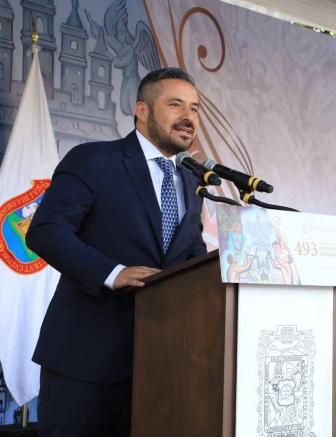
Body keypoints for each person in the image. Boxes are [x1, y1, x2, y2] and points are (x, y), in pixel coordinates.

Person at [25, 67, 207, 437]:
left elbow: (193, 257)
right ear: (142, 109)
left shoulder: (191, 180)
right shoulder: (94, 160)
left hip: (160, 363)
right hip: (86, 361)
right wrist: (112, 272)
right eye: (175, 104)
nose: (189, 116)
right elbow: (46, 231)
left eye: (195, 107)